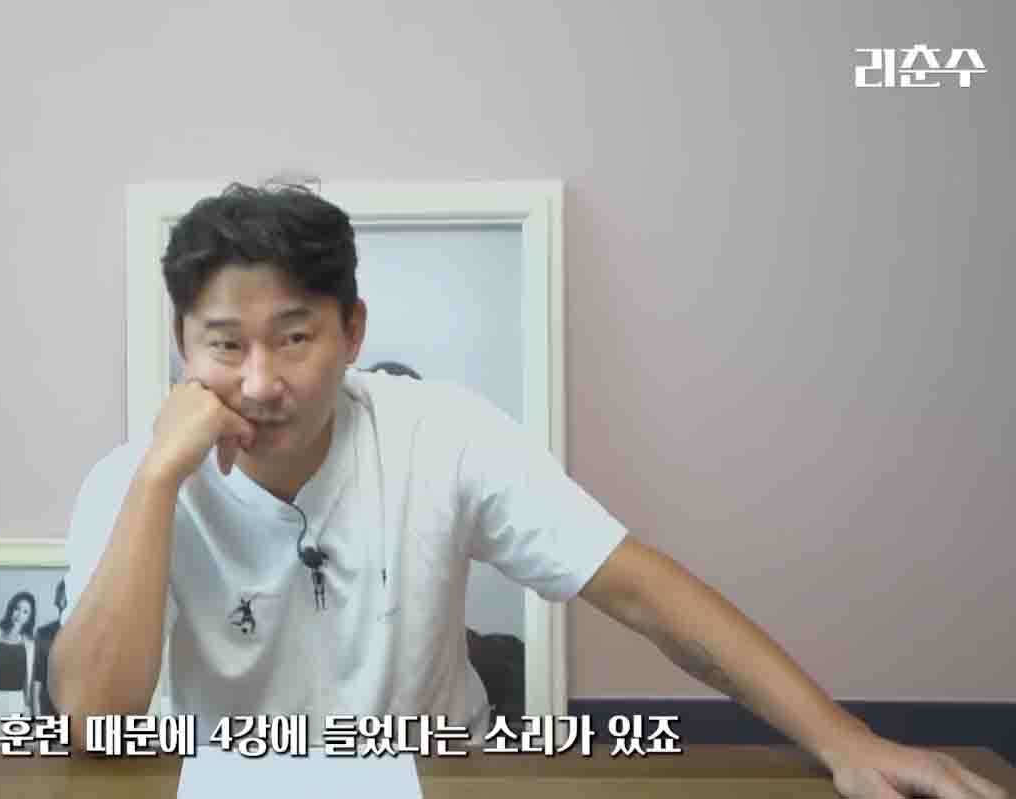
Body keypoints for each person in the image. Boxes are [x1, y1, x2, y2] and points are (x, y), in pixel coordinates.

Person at [49, 183, 1005, 799]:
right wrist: (157, 480)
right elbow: (93, 723)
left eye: (294, 338)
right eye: (224, 344)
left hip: (437, 780)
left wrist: (841, 738)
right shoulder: (132, 479)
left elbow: (638, 588)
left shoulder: (440, 431)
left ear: (351, 330)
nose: (259, 382)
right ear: (183, 344)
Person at [32, 578, 68, 717]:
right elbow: (38, 679)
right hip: (48, 709)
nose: (67, 599)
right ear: (57, 600)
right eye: (64, 594)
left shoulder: (89, 633)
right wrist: (37, 716)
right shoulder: (44, 633)